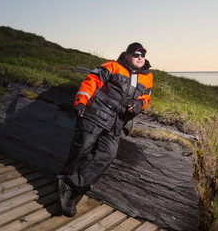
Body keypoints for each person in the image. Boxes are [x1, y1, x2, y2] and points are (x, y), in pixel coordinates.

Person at [57, 42, 153, 217]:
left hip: (116, 124)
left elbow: (147, 96)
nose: (140, 58)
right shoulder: (112, 66)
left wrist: (140, 103)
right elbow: (91, 81)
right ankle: (66, 183)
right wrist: (80, 101)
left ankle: (71, 186)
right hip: (95, 114)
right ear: (126, 55)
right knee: (82, 147)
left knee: (107, 156)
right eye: (136, 54)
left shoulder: (148, 77)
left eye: (143, 55)